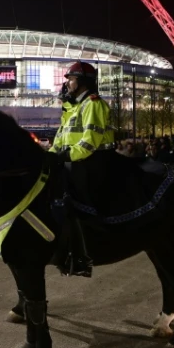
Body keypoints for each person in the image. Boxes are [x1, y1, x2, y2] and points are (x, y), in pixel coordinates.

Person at [48, 61, 114, 277]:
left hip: (92, 161)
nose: (67, 83)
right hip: (73, 160)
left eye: (71, 79)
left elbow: (89, 142)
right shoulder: (72, 107)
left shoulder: (93, 104)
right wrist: (48, 157)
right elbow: (60, 138)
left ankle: (82, 255)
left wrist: (65, 155)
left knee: (73, 204)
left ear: (83, 82)